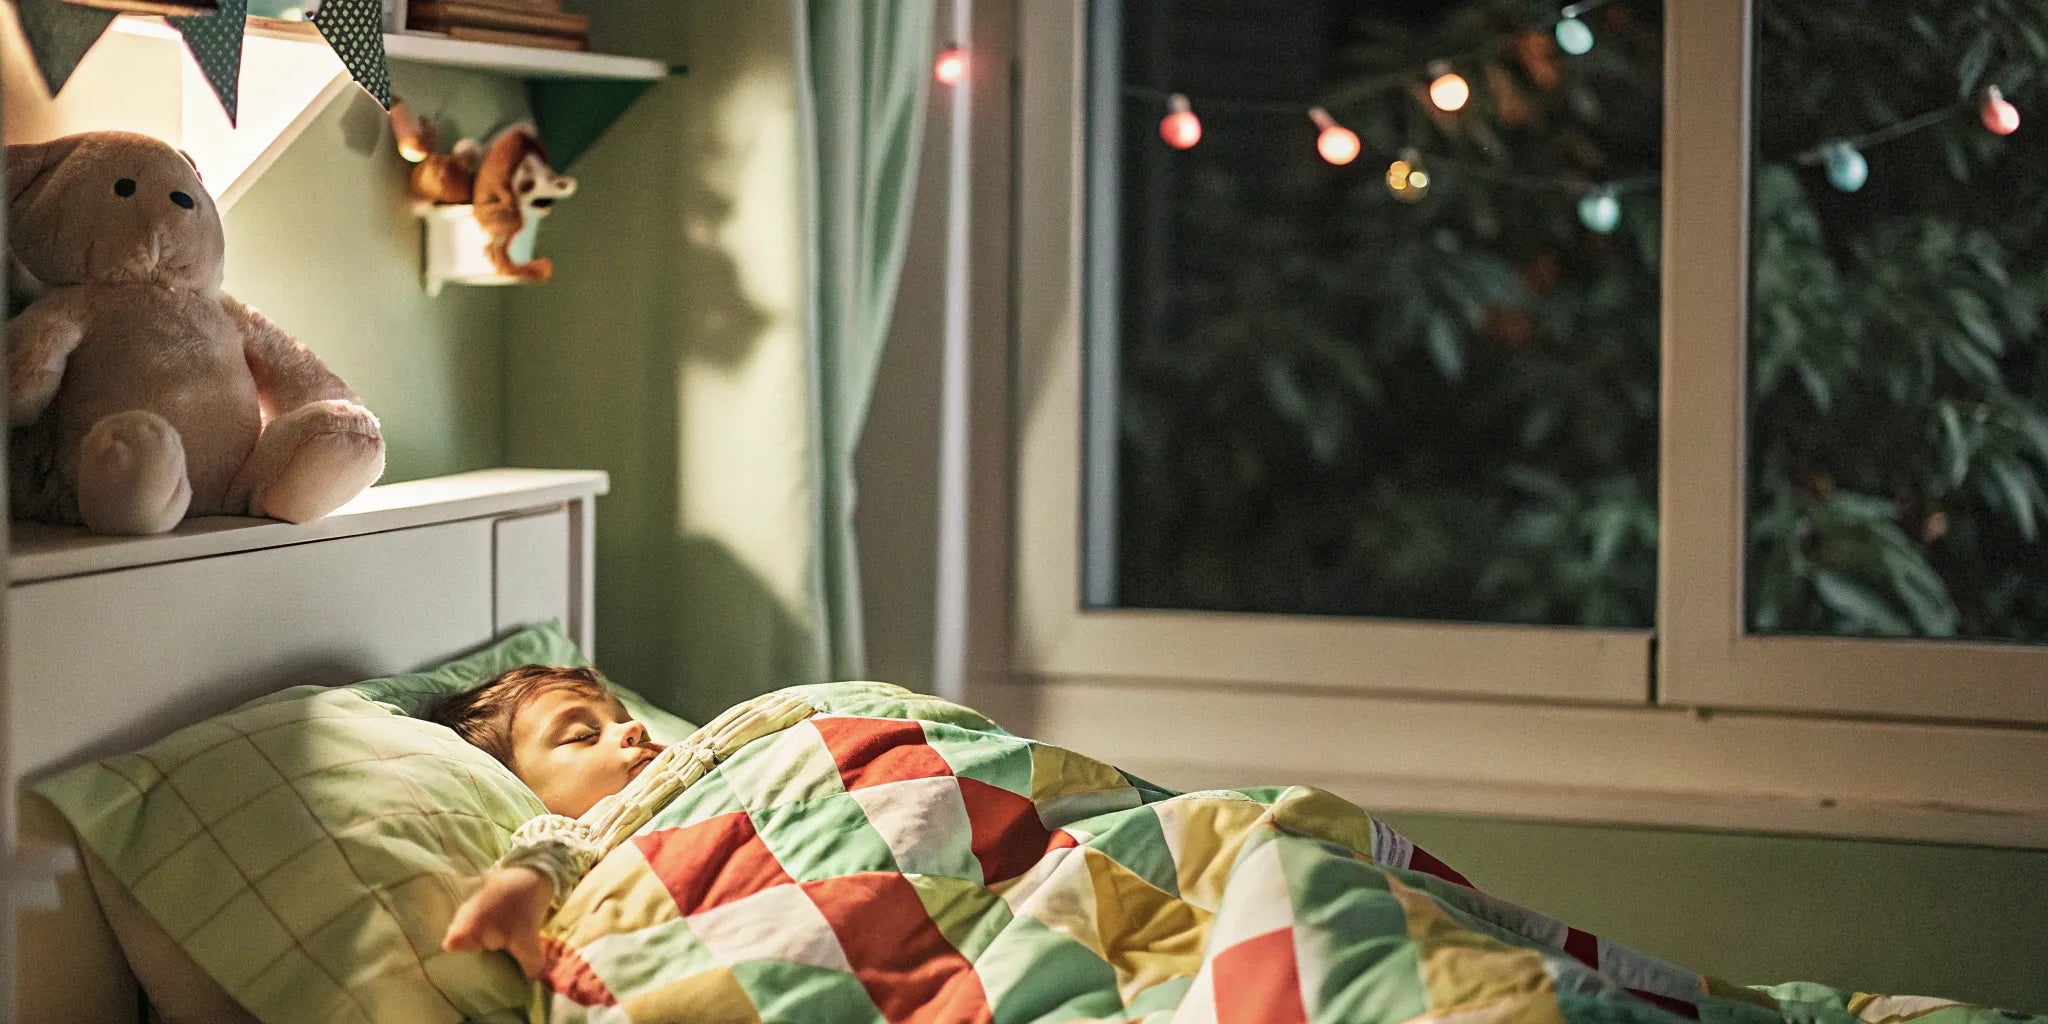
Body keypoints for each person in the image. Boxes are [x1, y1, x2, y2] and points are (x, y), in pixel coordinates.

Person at [427, 665, 668, 977]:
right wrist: (515, 891)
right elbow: (551, 850)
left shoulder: (691, 759)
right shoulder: (584, 832)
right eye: (583, 735)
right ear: (521, 790)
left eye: (625, 720)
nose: (634, 727)